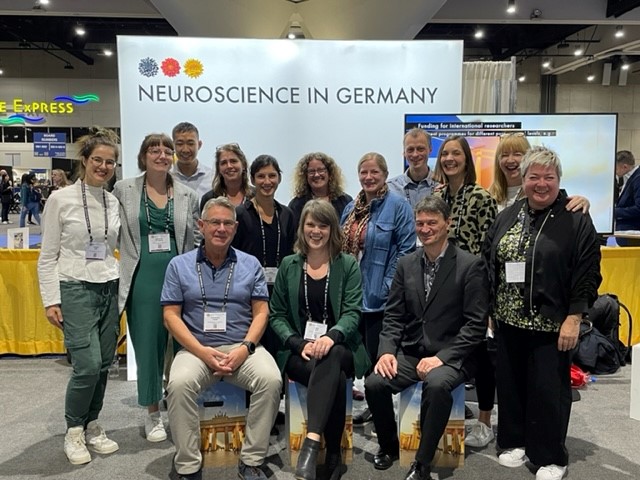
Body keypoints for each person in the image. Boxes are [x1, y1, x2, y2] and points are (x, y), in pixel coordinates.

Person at [465, 133, 591, 449]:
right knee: (511, 386)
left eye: (549, 177)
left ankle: (549, 455)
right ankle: (514, 441)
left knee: (548, 390)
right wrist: (489, 309)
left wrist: (575, 317)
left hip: (552, 323)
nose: (541, 183)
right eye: (534, 176)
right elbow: (489, 261)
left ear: (558, 179)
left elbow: (587, 272)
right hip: (508, 322)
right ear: (523, 180)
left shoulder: (575, 219)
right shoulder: (507, 216)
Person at [365, 196, 488, 479]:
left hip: (452, 354)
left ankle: (422, 463)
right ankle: (389, 445)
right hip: (411, 351)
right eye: (420, 223)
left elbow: (475, 325)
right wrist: (386, 351)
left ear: (448, 224)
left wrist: (441, 358)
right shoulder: (406, 264)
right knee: (374, 383)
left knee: (436, 384)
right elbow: (393, 316)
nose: (425, 229)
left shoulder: (470, 265)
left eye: (432, 222)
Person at [161, 196, 282, 480]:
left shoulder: (250, 264)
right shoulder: (179, 265)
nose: (221, 228)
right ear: (201, 226)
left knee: (271, 379)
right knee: (178, 384)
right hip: (196, 350)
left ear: (235, 228)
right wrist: (202, 352)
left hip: (242, 347)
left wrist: (245, 348)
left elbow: (261, 313)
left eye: (228, 223)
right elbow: (170, 316)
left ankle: (251, 460)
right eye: (214, 222)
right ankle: (188, 466)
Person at [37, 127, 121, 465]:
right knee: (86, 365)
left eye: (110, 162)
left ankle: (92, 424)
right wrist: (50, 300)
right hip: (74, 285)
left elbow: (112, 247)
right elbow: (47, 256)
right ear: (84, 160)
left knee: (104, 364)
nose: (103, 166)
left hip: (108, 285)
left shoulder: (112, 201)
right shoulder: (60, 199)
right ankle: (73, 430)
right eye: (98, 160)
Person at [269, 200, 370, 480]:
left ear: (332, 229)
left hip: (340, 346)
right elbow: (276, 314)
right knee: (333, 376)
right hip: (299, 352)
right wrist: (298, 343)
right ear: (302, 228)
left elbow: (352, 312)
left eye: (323, 225)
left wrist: (331, 337)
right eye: (310, 224)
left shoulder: (347, 265)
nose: (316, 231)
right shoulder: (289, 265)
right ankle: (333, 455)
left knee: (333, 356)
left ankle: (311, 444)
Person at [113, 133, 200, 443]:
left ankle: (180, 406)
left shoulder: (188, 195)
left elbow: (195, 237)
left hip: (179, 275)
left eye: (167, 150)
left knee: (182, 344)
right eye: (154, 150)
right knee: (149, 344)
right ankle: (152, 413)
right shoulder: (124, 190)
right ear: (143, 156)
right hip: (143, 276)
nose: (162, 155)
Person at [341, 152, 415, 424]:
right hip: (352, 295)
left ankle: (380, 412)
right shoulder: (351, 208)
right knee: (355, 355)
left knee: (377, 356)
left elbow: (406, 251)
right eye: (364, 172)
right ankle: (360, 407)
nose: (369, 177)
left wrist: (387, 286)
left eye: (374, 172)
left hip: (380, 298)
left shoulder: (399, 206)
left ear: (385, 174)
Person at [233, 154, 296, 289]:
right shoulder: (241, 214)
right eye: (261, 176)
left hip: (281, 288)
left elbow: (292, 254)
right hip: (247, 286)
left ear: (279, 178)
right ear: (252, 179)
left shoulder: (287, 215)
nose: (267, 182)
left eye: (272, 176)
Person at [432, 135, 497, 256]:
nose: (449, 158)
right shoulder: (437, 198)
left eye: (456, 153)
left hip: (471, 267)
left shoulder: (481, 198)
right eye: (444, 154)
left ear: (467, 159)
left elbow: (488, 247)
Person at [288, 152, 353, 226]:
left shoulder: (345, 201)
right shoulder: (296, 205)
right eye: (311, 171)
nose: (316, 175)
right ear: (305, 176)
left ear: (330, 174)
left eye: (321, 170)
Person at [387, 128, 438, 208]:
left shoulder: (441, 185)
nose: (415, 154)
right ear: (404, 152)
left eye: (420, 149)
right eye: (410, 150)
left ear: (430, 150)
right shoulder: (391, 188)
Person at [199, 142, 254, 211]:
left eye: (233, 161)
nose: (229, 166)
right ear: (219, 169)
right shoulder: (209, 199)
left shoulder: (257, 196)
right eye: (224, 163)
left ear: (243, 165)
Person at [171, 122, 214, 198]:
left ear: (199, 145)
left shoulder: (212, 178)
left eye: (190, 144)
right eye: (180, 144)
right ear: (173, 145)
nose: (185, 150)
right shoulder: (166, 177)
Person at [614, 150, 640, 245]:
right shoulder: (629, 178)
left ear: (625, 167)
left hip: (632, 234)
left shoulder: (638, 179)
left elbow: (639, 208)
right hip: (627, 234)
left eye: (616, 168)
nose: (615, 171)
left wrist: (615, 212)